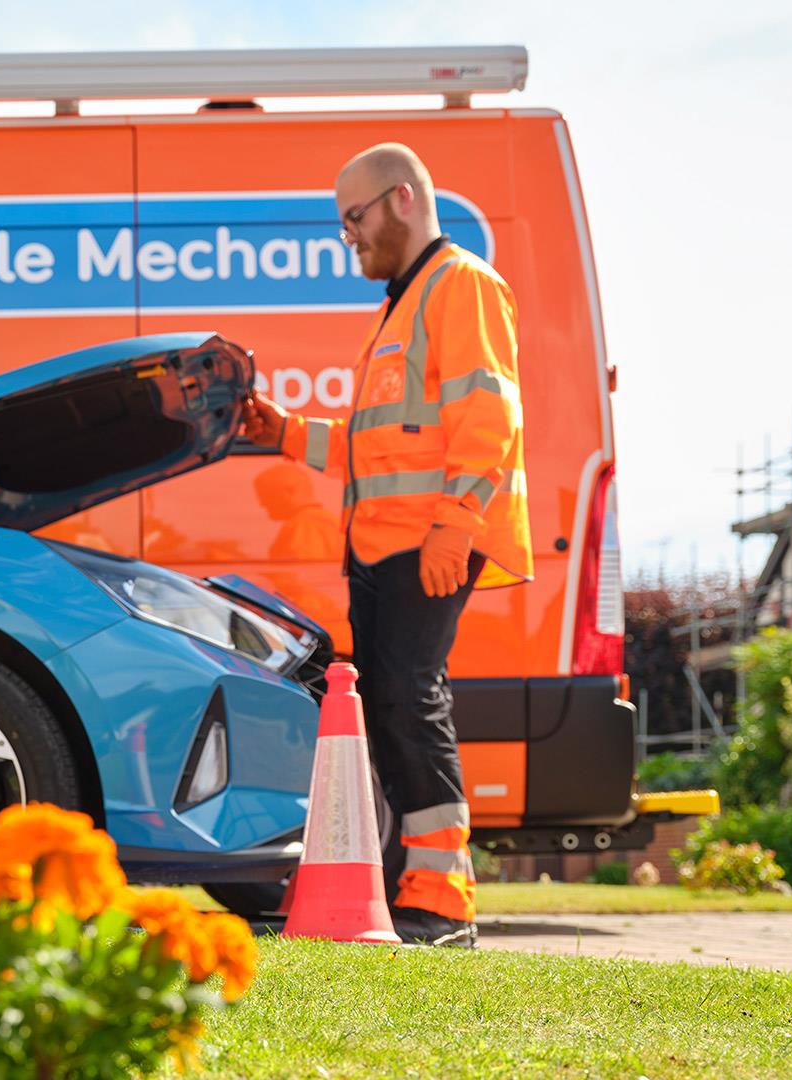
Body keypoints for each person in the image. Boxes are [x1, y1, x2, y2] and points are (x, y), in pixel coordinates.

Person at [241, 143, 532, 947]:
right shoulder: (402, 308)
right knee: (394, 710)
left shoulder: (460, 286)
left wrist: (458, 525)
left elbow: (491, 420)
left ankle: (444, 902)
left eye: (355, 218)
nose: (349, 238)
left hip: (426, 544)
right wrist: (287, 434)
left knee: (410, 700)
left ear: (401, 199)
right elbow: (379, 445)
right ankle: (411, 887)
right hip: (384, 550)